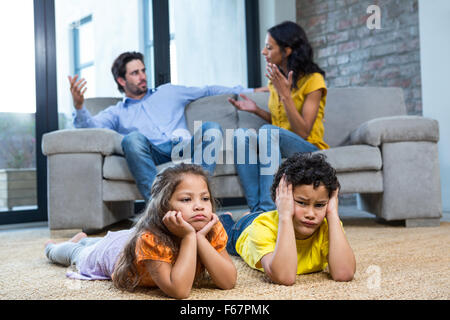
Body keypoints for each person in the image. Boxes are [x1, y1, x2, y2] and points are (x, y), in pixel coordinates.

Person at [69, 51, 262, 202]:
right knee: (132, 139)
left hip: (182, 147)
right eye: (135, 73)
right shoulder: (117, 112)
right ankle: (159, 207)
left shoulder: (169, 92)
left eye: (143, 71)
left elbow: (208, 90)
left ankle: (198, 194)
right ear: (121, 80)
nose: (143, 76)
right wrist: (79, 107)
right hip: (153, 152)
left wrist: (250, 91)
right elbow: (90, 129)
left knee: (211, 128)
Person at [45, 163, 237, 299]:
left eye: (205, 198)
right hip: (108, 253)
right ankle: (55, 246)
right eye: (186, 199)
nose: (199, 206)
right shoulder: (152, 239)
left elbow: (228, 282)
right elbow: (179, 291)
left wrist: (199, 238)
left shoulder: (210, 229)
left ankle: (85, 239)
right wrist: (189, 236)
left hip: (127, 240)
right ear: (164, 206)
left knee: (97, 241)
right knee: (77, 253)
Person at [228, 21, 329, 214]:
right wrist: (256, 110)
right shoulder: (275, 80)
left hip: (309, 147)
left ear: (287, 50)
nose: (263, 52)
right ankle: (257, 213)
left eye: (269, 47)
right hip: (283, 141)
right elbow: (279, 125)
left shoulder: (313, 80)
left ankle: (268, 210)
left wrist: (286, 95)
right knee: (241, 135)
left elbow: (303, 131)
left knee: (266, 132)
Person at [219, 153, 356, 285]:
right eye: (301, 202)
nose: (310, 214)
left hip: (273, 216)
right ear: (280, 199)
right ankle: (228, 217)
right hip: (244, 229)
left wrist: (332, 214)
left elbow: (344, 273)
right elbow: (285, 277)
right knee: (223, 231)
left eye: (319, 205)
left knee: (261, 213)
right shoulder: (261, 228)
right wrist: (285, 216)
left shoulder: (330, 227)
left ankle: (253, 212)